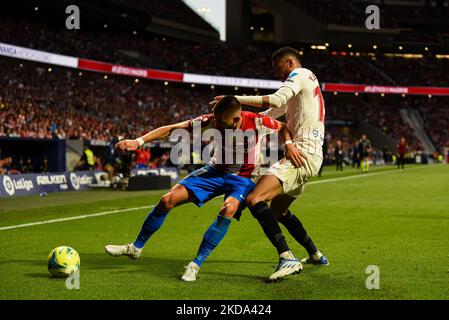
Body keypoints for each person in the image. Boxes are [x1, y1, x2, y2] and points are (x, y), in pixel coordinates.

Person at [105, 96, 299, 282]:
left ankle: (195, 264)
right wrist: (138, 142)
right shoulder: (212, 120)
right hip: (214, 171)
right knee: (167, 199)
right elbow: (173, 128)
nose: (217, 127)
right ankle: (136, 247)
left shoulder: (257, 122)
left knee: (228, 209)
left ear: (237, 119)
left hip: (242, 178)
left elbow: (283, 127)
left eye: (222, 124)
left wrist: (289, 144)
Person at [211, 47, 329, 272]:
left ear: (290, 62)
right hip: (308, 154)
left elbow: (275, 99)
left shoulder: (299, 74)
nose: (277, 74)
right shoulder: (305, 84)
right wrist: (239, 119)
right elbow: (268, 117)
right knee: (279, 211)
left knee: (255, 199)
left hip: (301, 155)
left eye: (278, 68)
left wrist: (234, 99)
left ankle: (287, 259)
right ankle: (315, 254)